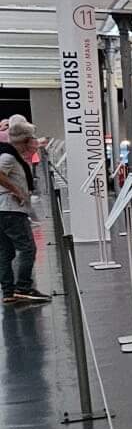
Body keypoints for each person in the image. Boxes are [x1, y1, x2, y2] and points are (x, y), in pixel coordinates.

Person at [0, 115, 47, 305]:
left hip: (5, 210)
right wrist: (16, 190)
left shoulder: (13, 156)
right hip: (11, 210)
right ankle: (23, 287)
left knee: (5, 252)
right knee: (27, 248)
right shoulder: (8, 156)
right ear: (25, 140)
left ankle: (8, 291)